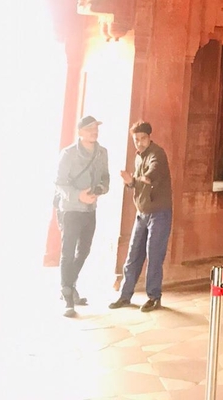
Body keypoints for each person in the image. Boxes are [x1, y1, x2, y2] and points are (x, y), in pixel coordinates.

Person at [109, 120, 172, 312]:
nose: (139, 142)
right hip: (142, 213)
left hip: (159, 214)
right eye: (136, 139)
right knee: (133, 255)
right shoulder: (138, 157)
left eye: (142, 138)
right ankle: (125, 295)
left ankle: (154, 297)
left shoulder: (157, 154)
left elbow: (150, 175)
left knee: (154, 256)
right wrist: (130, 183)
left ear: (149, 137)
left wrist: (134, 180)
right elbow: (137, 184)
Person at [54, 115, 110, 318]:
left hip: (90, 210)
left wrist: (101, 189)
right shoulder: (68, 154)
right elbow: (59, 183)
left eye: (95, 128)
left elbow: (106, 177)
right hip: (70, 209)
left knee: (84, 251)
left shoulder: (102, 153)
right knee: (67, 253)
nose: (93, 132)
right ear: (80, 132)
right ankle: (67, 295)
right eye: (89, 129)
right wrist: (79, 195)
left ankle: (68, 284)